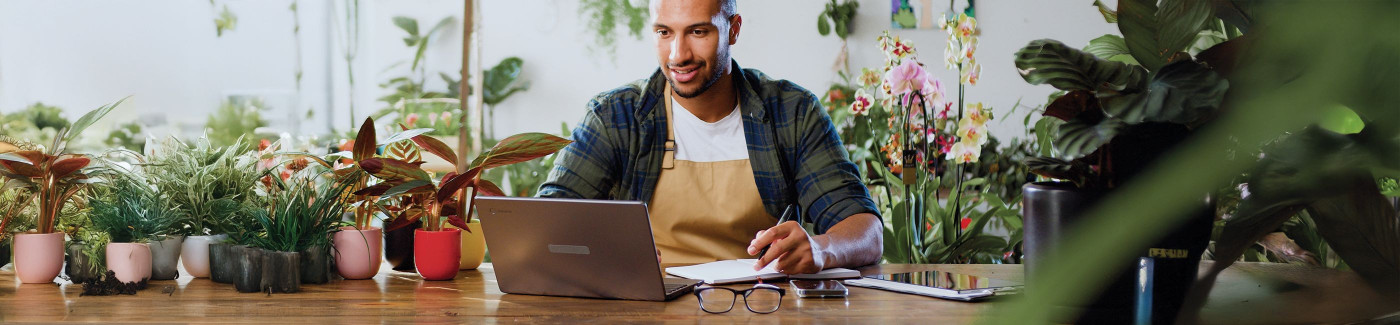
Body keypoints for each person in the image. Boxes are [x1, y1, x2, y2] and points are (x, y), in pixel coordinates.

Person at [538, 0, 881, 274]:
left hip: (762, 305)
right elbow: (545, 224)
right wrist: (601, 250)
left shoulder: (792, 112)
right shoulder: (614, 117)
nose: (678, 55)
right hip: (648, 309)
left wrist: (822, 249)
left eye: (698, 32)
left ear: (733, 30)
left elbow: (865, 229)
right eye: (664, 32)